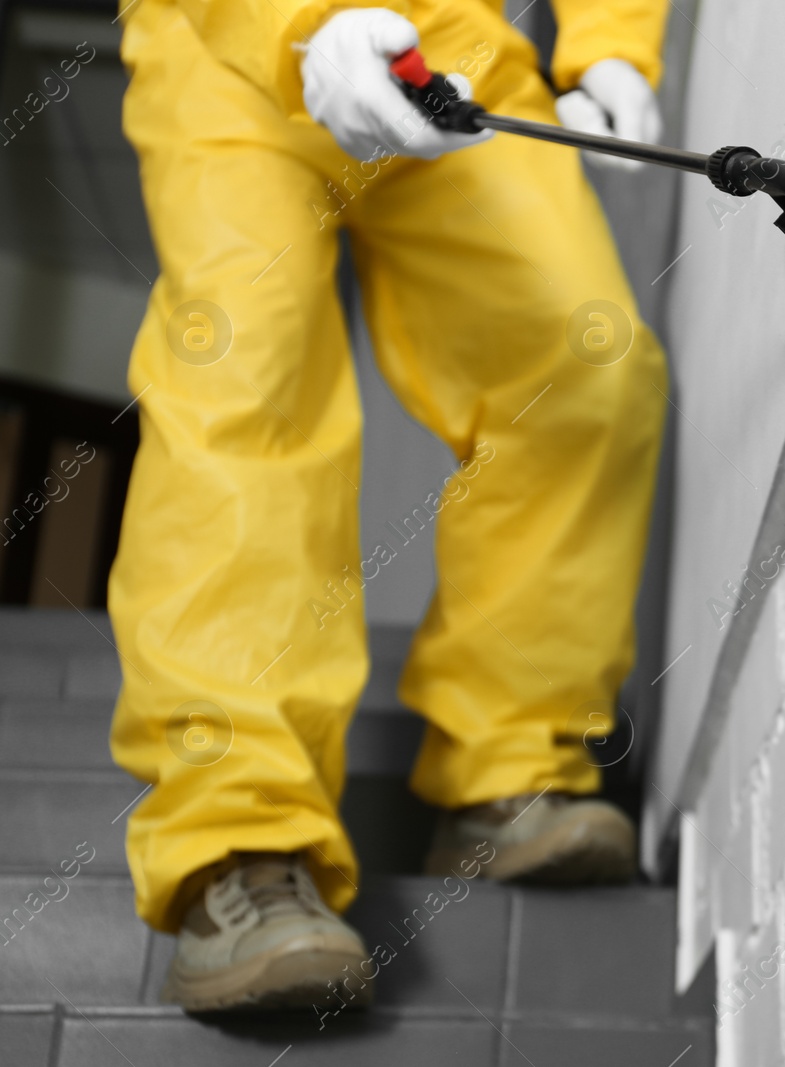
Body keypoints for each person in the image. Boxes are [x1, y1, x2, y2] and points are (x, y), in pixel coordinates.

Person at [106, 0, 668, 1012]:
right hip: (220, 51)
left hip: (454, 42)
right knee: (246, 385)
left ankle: (510, 762)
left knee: (585, 370)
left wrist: (612, 46)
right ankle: (237, 842)